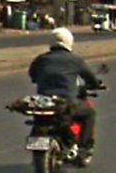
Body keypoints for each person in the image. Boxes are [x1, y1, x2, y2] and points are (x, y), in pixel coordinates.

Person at [28, 27, 103, 157]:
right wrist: (96, 84)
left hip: (44, 104)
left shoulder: (41, 59)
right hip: (67, 103)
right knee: (90, 113)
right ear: (69, 41)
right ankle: (83, 147)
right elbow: (90, 78)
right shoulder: (75, 60)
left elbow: (33, 76)